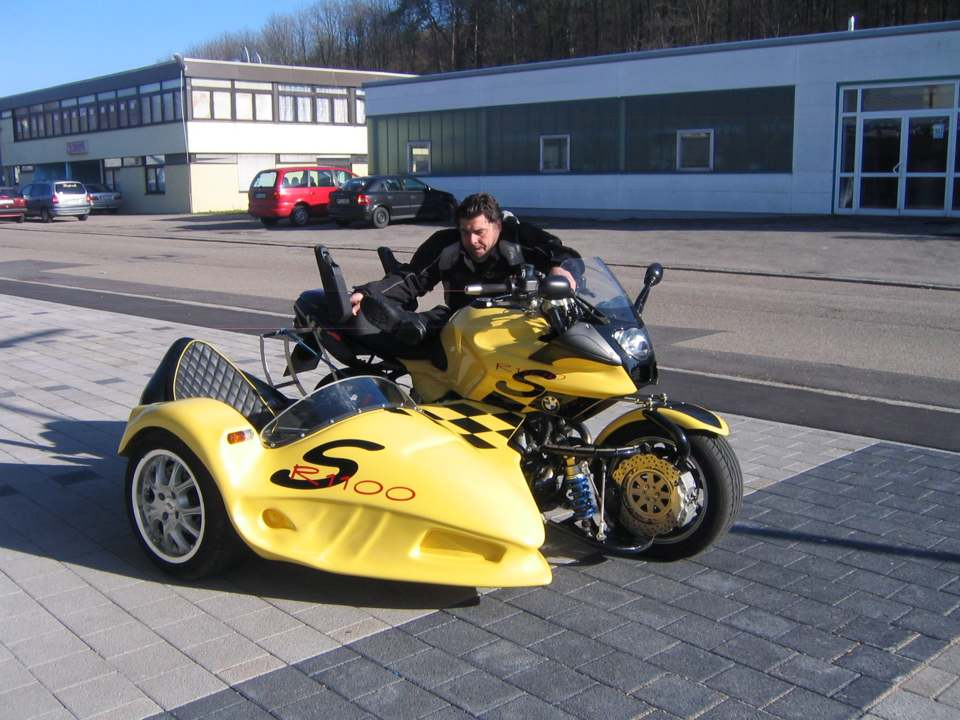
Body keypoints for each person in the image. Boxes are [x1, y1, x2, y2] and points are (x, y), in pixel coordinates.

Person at [354, 192, 580, 345]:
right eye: (464, 232)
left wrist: (561, 270)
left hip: (515, 326)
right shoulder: (445, 244)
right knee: (432, 321)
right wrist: (368, 294)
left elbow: (561, 253)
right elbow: (411, 277)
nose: (471, 240)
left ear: (498, 225)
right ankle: (403, 327)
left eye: (479, 232)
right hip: (461, 323)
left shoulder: (519, 237)